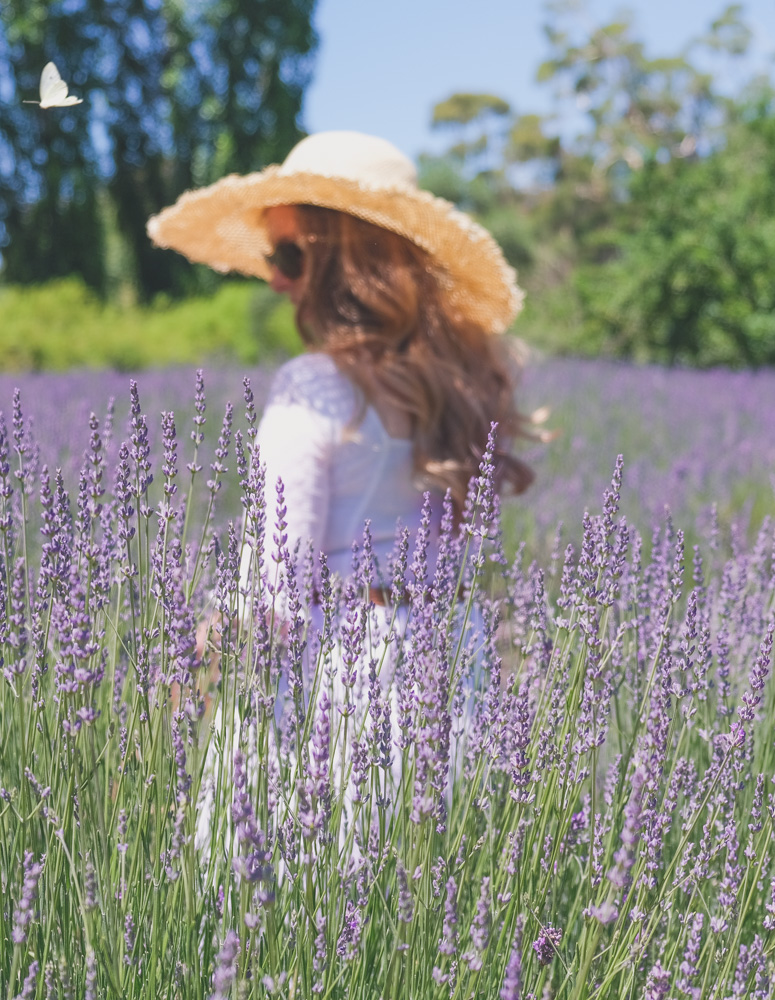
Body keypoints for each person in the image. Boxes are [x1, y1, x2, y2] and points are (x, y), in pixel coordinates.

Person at [147, 130, 537, 852]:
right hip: (451, 665)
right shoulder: (453, 386)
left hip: (339, 690)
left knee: (295, 922)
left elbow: (279, 597)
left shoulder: (316, 389)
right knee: (419, 919)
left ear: (344, 261)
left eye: (289, 256)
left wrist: (179, 661)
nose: (275, 281)